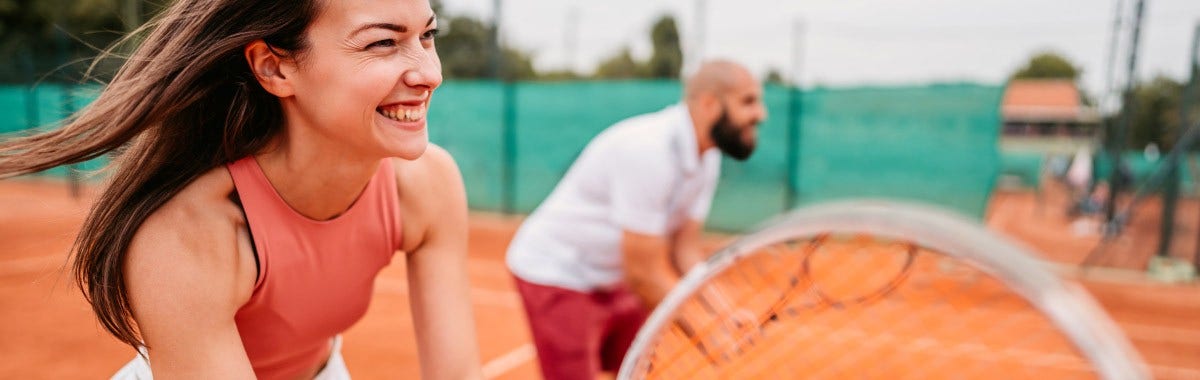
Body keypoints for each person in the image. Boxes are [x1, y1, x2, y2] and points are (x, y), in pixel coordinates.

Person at [0, 0, 482, 378]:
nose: (429, 73)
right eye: (382, 43)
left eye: (427, 35)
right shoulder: (186, 234)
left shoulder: (426, 184)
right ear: (274, 68)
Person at [505, 60, 767, 379]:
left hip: (614, 275)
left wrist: (723, 312)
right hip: (558, 273)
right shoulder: (650, 151)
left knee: (634, 371)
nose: (760, 114)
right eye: (748, 101)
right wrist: (704, 332)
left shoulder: (707, 157)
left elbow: (683, 248)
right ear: (710, 104)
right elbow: (644, 274)